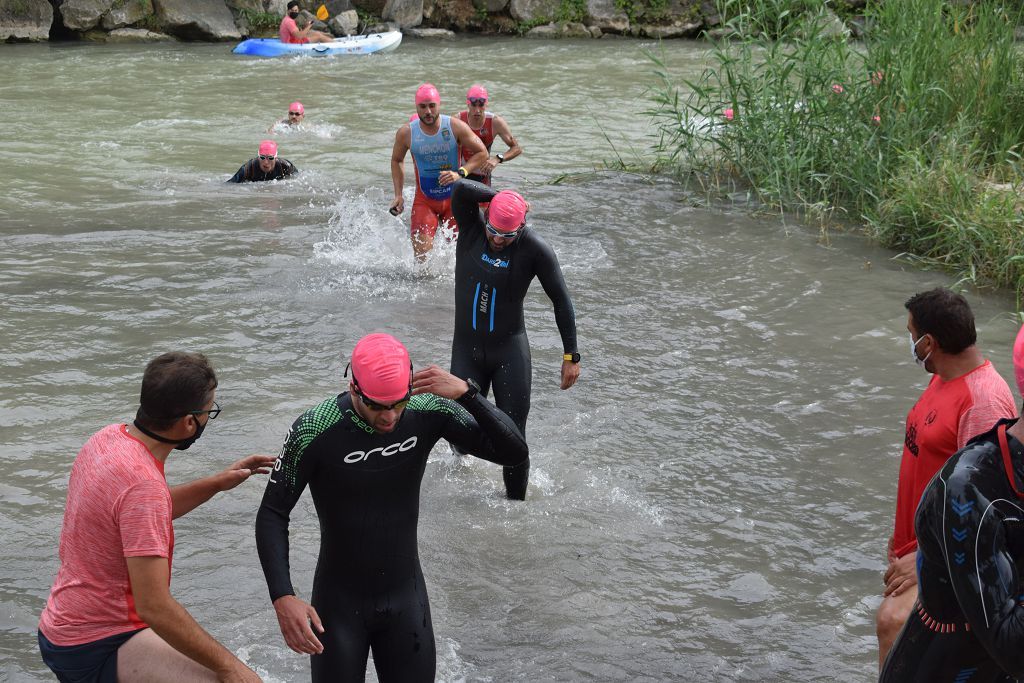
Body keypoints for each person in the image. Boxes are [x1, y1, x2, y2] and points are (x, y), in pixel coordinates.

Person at [255, 333, 527, 682]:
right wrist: (283, 597)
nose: (390, 417)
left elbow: (514, 452)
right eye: (377, 406)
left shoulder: (429, 410)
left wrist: (467, 393)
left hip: (406, 602)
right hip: (339, 608)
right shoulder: (314, 429)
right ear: (354, 389)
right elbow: (273, 514)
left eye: (398, 404)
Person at [37, 352, 275, 683]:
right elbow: (153, 606)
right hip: (98, 641)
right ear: (190, 422)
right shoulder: (143, 486)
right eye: (210, 412)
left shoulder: (107, 438)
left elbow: (136, 517)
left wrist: (218, 483)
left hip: (62, 623)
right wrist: (230, 668)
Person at [875, 287, 1017, 669]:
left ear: (929, 342)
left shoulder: (983, 401)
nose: (910, 343)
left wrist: (924, 554)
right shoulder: (942, 377)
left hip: (944, 554)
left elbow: (981, 506)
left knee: (892, 626)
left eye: (911, 334)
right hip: (914, 545)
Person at [448, 180, 579, 500]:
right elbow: (461, 191)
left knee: (514, 440)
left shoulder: (534, 249)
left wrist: (570, 356)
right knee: (459, 433)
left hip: (509, 352)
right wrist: (503, 198)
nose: (497, 239)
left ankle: (516, 508)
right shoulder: (472, 229)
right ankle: (459, 472)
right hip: (467, 349)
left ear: (521, 228)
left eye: (507, 235)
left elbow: (560, 299)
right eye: (494, 230)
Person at [389, 83, 488, 260]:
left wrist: (461, 172)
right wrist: (398, 194)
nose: (428, 111)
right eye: (423, 106)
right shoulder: (407, 133)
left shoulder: (454, 126)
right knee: (422, 262)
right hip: (424, 201)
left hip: (454, 200)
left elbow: (482, 153)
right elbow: (397, 160)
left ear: (439, 105)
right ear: (416, 107)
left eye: (432, 105)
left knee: (462, 258)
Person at [457, 84, 522, 186]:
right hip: (461, 174)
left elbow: (516, 148)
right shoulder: (458, 120)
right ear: (468, 104)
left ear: (486, 104)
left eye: (481, 105)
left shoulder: (495, 122)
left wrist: (497, 159)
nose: (477, 110)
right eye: (474, 105)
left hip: (483, 176)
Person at [228, 140, 298, 183]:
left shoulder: (285, 166)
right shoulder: (248, 168)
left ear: (275, 157)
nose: (266, 162)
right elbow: (230, 185)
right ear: (258, 156)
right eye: (262, 157)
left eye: (270, 158)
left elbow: (298, 179)